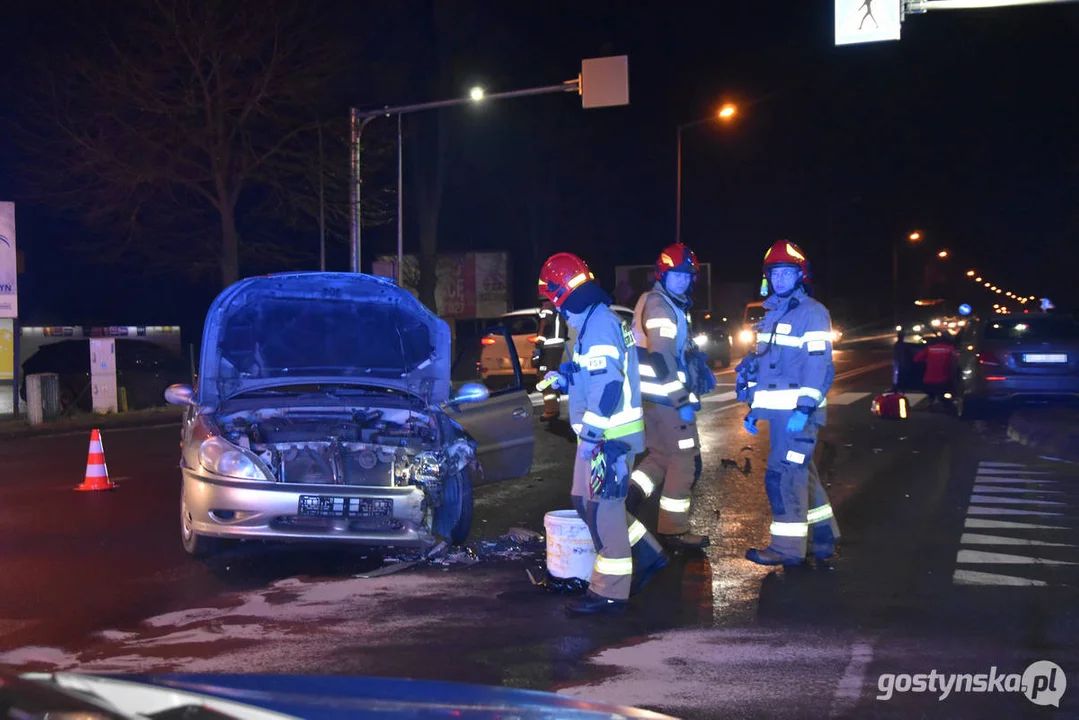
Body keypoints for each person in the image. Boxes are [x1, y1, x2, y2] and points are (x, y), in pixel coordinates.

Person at [538, 252, 667, 615]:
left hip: (608, 440)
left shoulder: (598, 326)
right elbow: (597, 374)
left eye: (553, 299)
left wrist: (593, 432)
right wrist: (565, 377)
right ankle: (646, 555)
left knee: (604, 512)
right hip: (598, 437)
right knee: (583, 501)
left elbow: (609, 386)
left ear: (563, 294)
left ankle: (609, 592)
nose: (555, 309)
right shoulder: (595, 321)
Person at [742, 240, 840, 566]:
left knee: (784, 475)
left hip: (799, 415)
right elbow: (766, 367)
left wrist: (804, 408)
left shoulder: (812, 313)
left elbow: (819, 366)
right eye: (776, 273)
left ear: (801, 276)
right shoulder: (774, 313)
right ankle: (823, 537)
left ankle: (787, 548)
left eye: (788, 272)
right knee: (802, 473)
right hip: (783, 416)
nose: (781, 279)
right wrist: (756, 407)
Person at [627, 242, 714, 551]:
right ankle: (674, 530)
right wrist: (681, 399)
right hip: (666, 399)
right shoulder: (662, 306)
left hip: (651, 398)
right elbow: (661, 356)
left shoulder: (662, 301)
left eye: (687, 274)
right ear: (662, 274)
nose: (683, 279)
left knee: (661, 456)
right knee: (684, 460)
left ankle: (629, 498)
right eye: (675, 274)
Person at [532, 300, 569, 421]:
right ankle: (555, 408)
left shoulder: (547, 306)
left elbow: (545, 324)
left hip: (548, 347)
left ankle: (551, 411)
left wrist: (539, 345)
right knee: (553, 376)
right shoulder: (558, 306)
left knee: (545, 377)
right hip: (557, 347)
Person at [913, 332, 957, 407]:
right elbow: (955, 363)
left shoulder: (929, 348)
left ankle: (932, 401)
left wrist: (927, 360)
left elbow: (916, 359)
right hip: (944, 382)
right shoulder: (951, 349)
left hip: (928, 382)